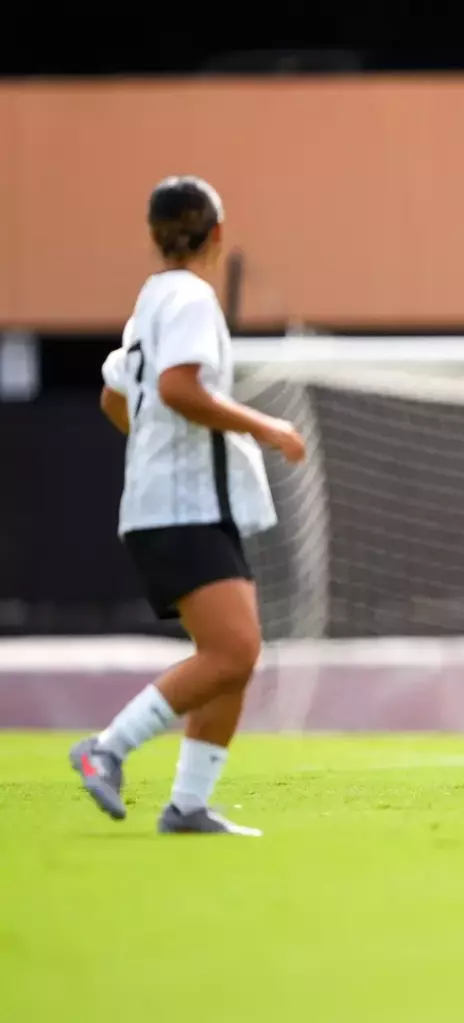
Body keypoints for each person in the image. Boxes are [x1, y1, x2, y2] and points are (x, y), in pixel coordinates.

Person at [70, 175, 308, 834]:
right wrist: (266, 427)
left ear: (154, 235)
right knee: (233, 654)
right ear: (218, 234)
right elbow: (177, 388)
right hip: (182, 505)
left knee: (232, 656)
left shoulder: (149, 301)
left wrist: (153, 453)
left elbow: (115, 398)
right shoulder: (194, 300)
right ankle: (105, 750)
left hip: (171, 501)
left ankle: (189, 805)